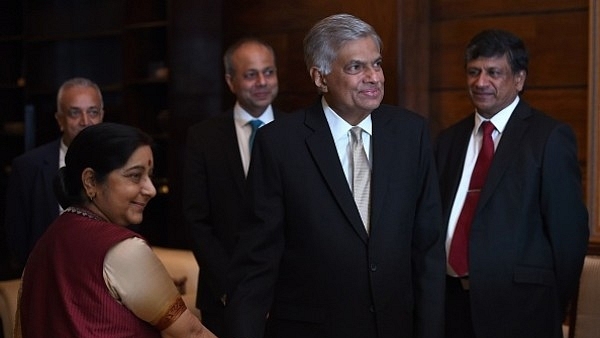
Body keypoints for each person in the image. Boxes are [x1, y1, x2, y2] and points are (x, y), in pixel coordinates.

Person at [224, 14, 445, 338]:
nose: (374, 77)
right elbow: (257, 261)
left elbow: (427, 248)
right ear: (320, 77)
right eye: (356, 67)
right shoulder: (280, 144)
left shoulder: (411, 133)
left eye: (377, 64)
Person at [435, 29, 589, 338]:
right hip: (450, 307)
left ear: (519, 79)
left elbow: (569, 237)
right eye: (474, 72)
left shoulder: (548, 138)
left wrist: (548, 306)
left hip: (522, 312)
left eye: (494, 73)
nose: (481, 82)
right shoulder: (449, 140)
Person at [16, 123, 217, 338]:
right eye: (135, 176)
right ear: (91, 181)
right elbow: (192, 333)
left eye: (149, 175)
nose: (151, 189)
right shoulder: (124, 249)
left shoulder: (46, 241)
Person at [183, 37, 282, 337]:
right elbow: (195, 221)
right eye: (251, 74)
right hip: (223, 295)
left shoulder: (298, 133)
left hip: (287, 297)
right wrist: (232, 287)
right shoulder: (203, 138)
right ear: (230, 81)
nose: (262, 82)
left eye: (269, 72)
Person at [4, 77, 104, 271]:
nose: (85, 121)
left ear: (102, 116)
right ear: (60, 120)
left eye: (92, 112)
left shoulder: (120, 164)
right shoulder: (27, 167)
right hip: (48, 277)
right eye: (75, 113)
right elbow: (16, 240)